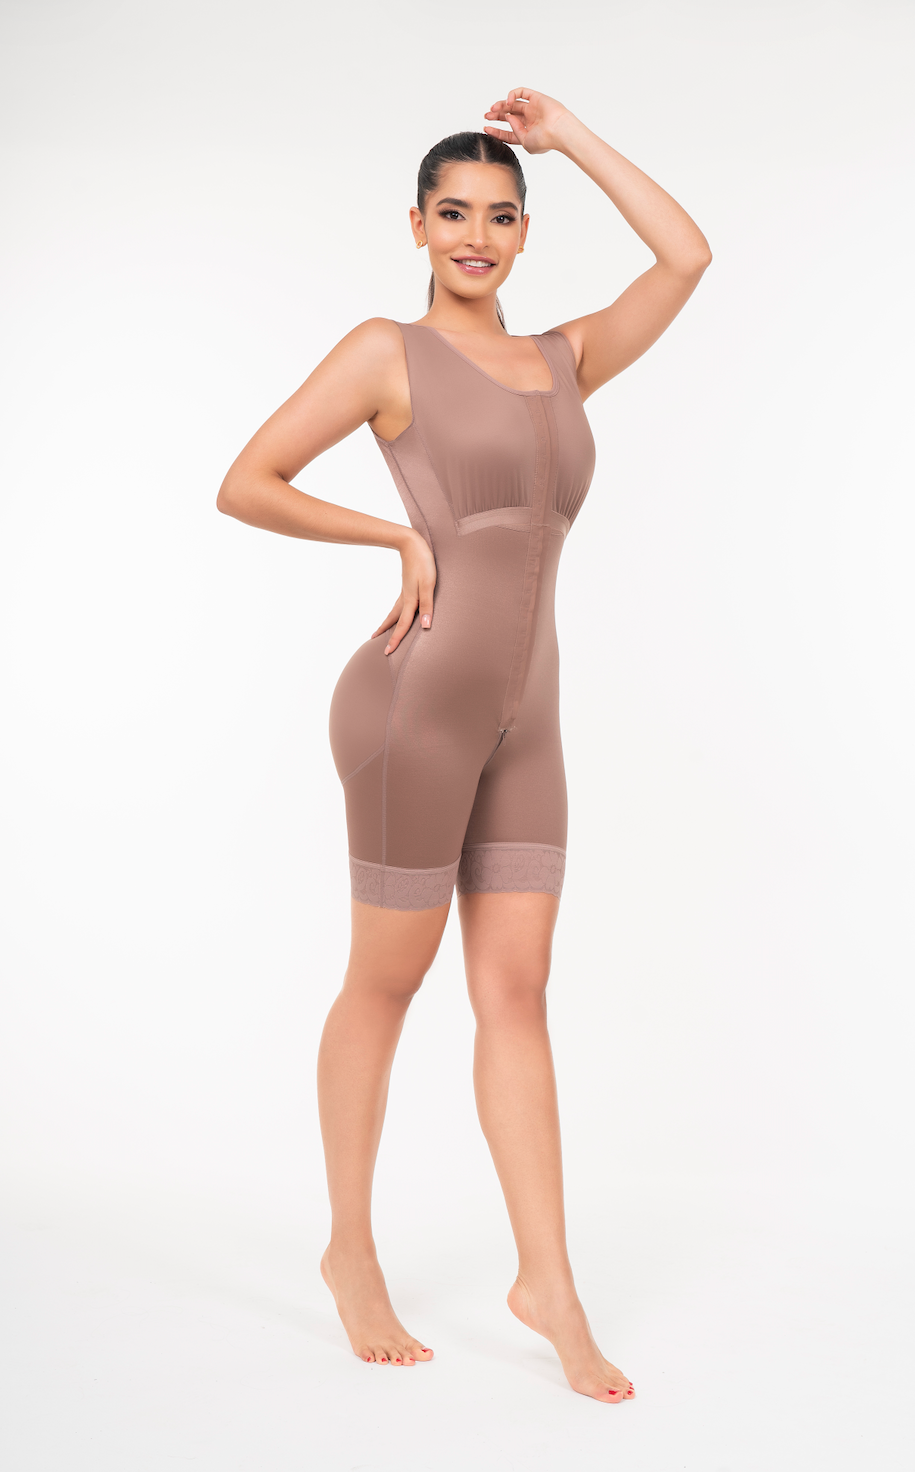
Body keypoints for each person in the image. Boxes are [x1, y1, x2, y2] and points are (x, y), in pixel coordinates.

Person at [217, 86, 711, 1404]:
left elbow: (685, 257)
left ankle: (549, 1284)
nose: (475, 237)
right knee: (388, 982)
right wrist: (393, 534)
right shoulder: (385, 352)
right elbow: (246, 480)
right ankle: (350, 1250)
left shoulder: (565, 357)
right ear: (418, 226)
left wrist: (572, 137)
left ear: (525, 232)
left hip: (527, 720)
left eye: (500, 216)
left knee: (519, 990)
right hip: (412, 708)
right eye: (453, 213)